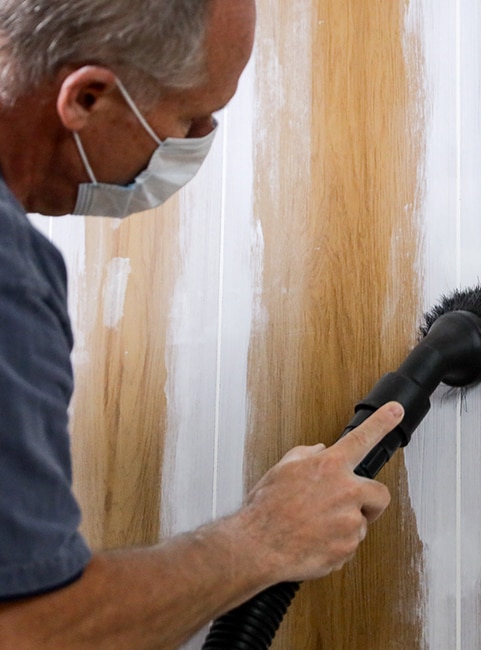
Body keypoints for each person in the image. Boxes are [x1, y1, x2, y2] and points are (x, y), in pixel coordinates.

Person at [0, 1, 403, 648]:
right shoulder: (9, 277)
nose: (199, 139)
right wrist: (264, 541)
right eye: (190, 117)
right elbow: (29, 631)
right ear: (89, 98)